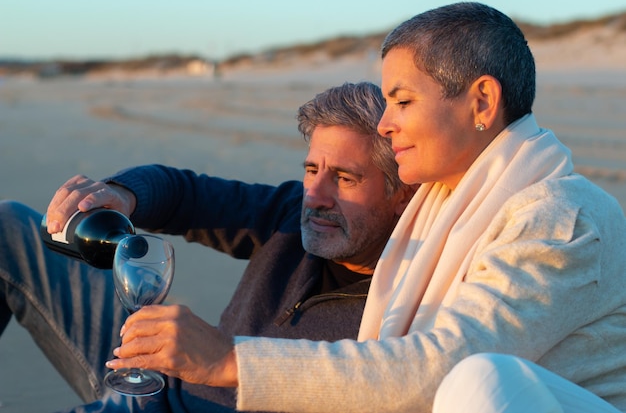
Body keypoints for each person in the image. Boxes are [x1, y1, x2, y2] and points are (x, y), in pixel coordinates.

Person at [98, 2, 626, 413]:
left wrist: (228, 359)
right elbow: (197, 196)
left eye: (402, 100)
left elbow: (444, 366)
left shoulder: (561, 217)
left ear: (482, 102)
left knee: (479, 380)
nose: (385, 123)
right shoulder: (448, 203)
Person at [0, 81, 413, 412]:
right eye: (311, 169)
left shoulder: (415, 305)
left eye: (344, 178)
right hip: (156, 373)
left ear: (402, 196)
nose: (315, 195)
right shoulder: (290, 212)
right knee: (9, 226)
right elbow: (186, 194)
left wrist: (229, 358)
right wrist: (122, 195)